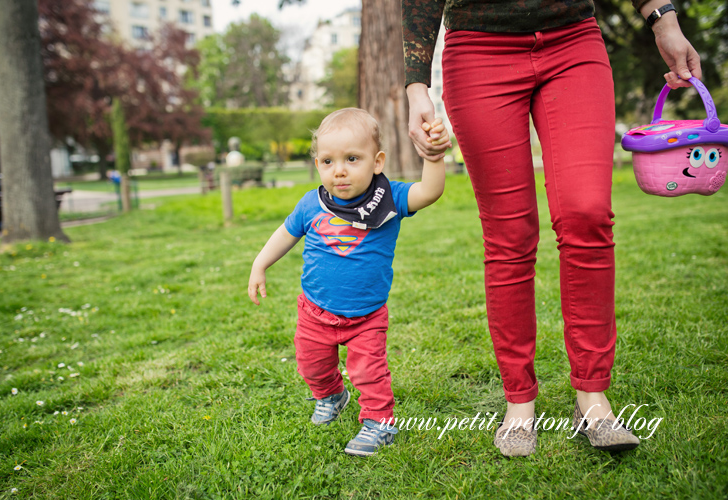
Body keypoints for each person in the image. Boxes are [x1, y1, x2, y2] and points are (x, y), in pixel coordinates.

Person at [402, 0, 701, 457]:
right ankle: (519, 403)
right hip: (478, 51)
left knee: (588, 212)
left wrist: (664, 19)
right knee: (509, 234)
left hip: (573, 41)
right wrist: (416, 87)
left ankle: (592, 397)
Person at [247, 108, 450, 456]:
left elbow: (429, 192)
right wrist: (259, 264)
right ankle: (331, 396)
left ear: (377, 161)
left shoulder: (390, 199)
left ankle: (379, 423)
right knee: (312, 365)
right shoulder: (312, 203)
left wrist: (433, 157)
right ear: (317, 165)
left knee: (369, 373)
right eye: (327, 161)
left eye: (352, 158)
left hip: (366, 316)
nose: (339, 170)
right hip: (315, 312)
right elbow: (285, 233)